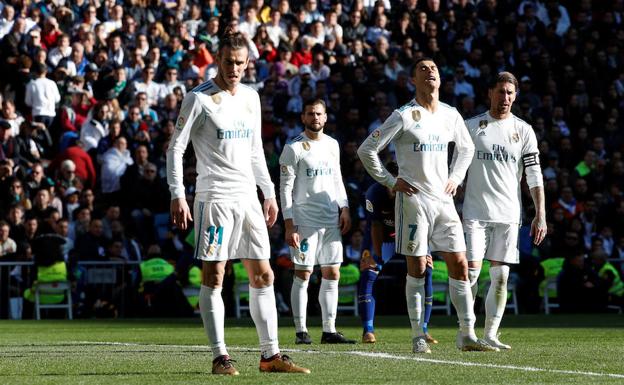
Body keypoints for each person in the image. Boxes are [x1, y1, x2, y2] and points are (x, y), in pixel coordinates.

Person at [166, 31, 309, 375]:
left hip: (248, 198)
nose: (234, 68)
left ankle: (270, 355)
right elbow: (175, 148)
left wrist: (270, 193)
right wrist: (177, 194)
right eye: (228, 61)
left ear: (248, 63)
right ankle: (220, 357)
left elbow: (256, 149)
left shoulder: (250, 97)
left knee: (263, 275)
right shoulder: (198, 99)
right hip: (214, 197)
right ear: (218, 59)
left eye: (240, 63)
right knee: (215, 276)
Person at [357, 57, 496, 353]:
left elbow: (467, 147)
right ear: (413, 81)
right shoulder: (404, 115)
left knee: (460, 264)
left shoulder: (450, 114)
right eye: (422, 69)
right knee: (418, 267)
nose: (430, 71)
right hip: (413, 202)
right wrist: (390, 181)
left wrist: (456, 177)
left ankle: (467, 334)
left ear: (440, 80)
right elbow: (367, 149)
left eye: (433, 68)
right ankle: (418, 335)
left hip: (444, 202)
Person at [463, 72, 546, 350]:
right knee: (472, 273)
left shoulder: (523, 130)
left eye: (510, 93)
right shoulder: (471, 126)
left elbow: (534, 175)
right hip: (475, 212)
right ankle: (466, 332)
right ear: (490, 92)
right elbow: (455, 171)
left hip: (509, 214)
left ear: (516, 95)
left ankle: (491, 334)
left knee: (501, 278)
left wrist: (540, 214)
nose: (505, 98)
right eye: (501, 92)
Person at [279, 99, 355, 345]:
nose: (315, 117)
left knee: (332, 273)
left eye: (319, 113)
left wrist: (344, 207)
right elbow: (285, 189)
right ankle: (301, 330)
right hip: (304, 221)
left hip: (330, 220)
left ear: (325, 117)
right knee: (303, 273)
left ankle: (329, 330)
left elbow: (337, 179)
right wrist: (289, 223)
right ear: (303, 117)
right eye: (310, 113)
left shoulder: (333, 145)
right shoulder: (294, 148)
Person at [358, 162, 437, 345]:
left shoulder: (417, 191)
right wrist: (376, 257)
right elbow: (376, 226)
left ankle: (423, 330)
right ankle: (368, 330)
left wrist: (426, 249)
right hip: (384, 237)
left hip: (411, 234)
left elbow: (426, 222)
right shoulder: (373, 194)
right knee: (368, 272)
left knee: (427, 271)